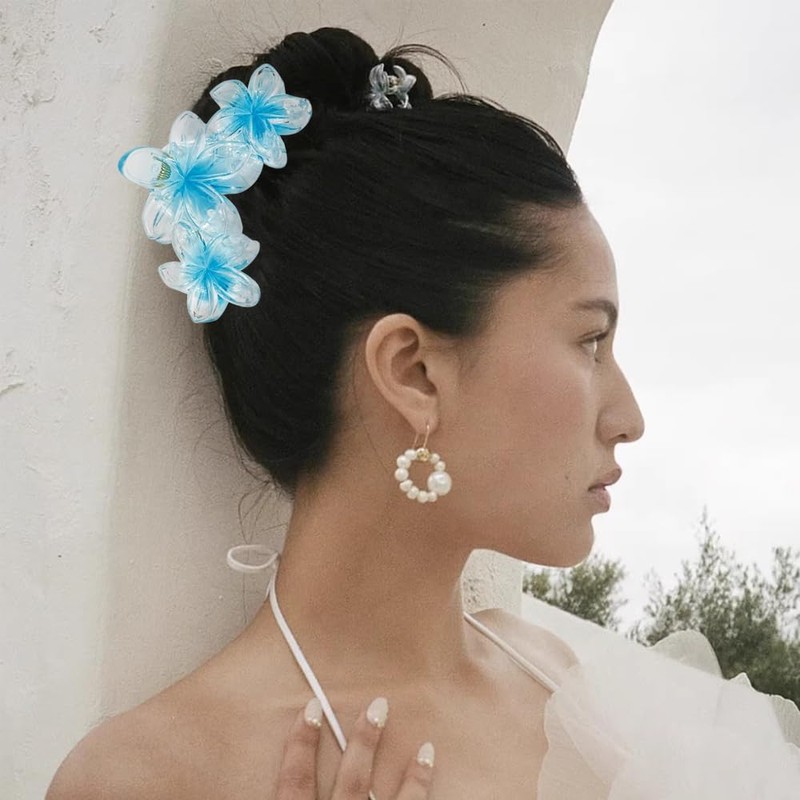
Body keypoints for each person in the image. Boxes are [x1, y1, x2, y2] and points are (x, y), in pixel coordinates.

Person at [46, 25, 800, 800]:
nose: (629, 416)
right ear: (413, 372)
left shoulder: (594, 706)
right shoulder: (151, 778)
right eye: (590, 341)